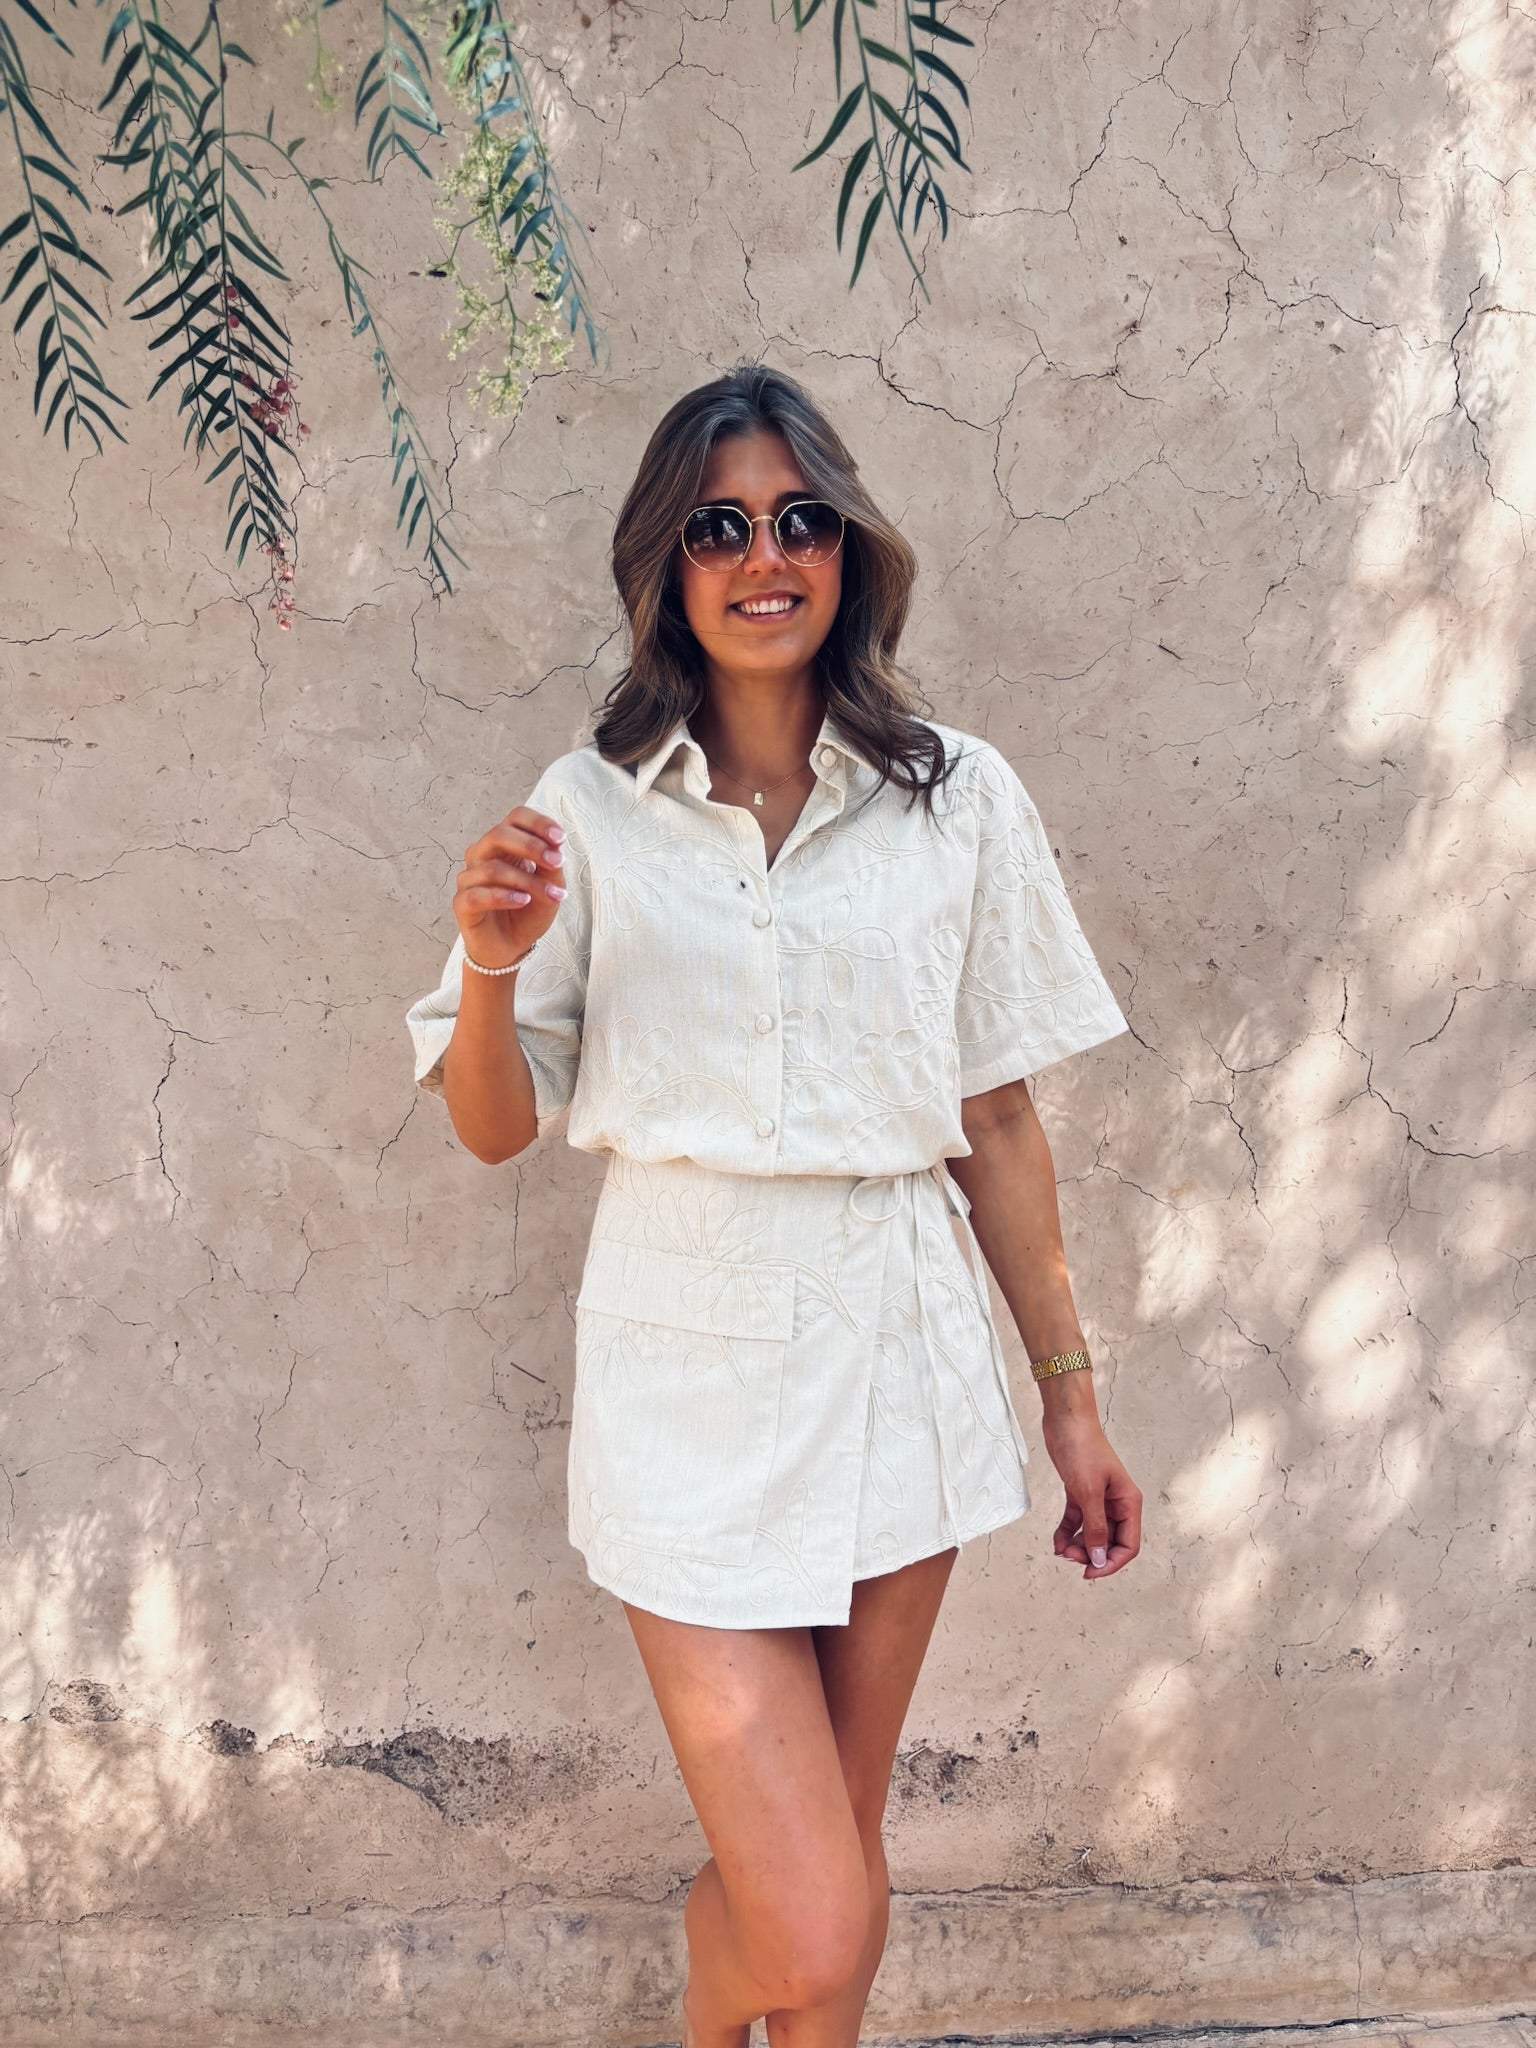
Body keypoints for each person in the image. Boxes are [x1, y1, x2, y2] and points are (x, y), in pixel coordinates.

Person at [404, 362, 1143, 2048]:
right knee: (805, 1917)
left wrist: (1072, 1398)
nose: (765, 557)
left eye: (802, 519)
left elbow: (997, 1115)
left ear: (848, 548)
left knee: (841, 1883)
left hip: (898, 1350)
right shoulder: (588, 808)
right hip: (687, 1361)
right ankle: (703, 2001)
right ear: (667, 562)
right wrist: (491, 968)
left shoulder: (957, 794)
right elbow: (493, 1129)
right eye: (721, 526)